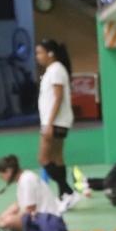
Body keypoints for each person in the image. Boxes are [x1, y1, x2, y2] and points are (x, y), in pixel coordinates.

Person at [36, 39, 78, 209]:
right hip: (56, 122)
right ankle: (65, 195)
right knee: (57, 158)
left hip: (55, 122)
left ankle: (67, 191)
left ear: (50, 53)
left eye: (40, 52)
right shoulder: (53, 70)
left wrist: (49, 123)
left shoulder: (56, 70)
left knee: (44, 158)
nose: (37, 56)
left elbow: (58, 97)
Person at [0, 155, 66, 231]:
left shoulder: (27, 179)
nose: (2, 179)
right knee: (6, 219)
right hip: (44, 219)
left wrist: (2, 222)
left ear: (8, 171)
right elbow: (17, 205)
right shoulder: (24, 178)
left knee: (8, 221)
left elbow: (29, 210)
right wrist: (0, 217)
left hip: (49, 222)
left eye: (1, 176)